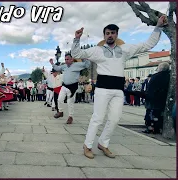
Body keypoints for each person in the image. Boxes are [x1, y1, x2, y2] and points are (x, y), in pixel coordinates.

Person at [70, 15, 167, 159]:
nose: (110, 35)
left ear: (116, 34)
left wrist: (158, 26)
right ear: (104, 35)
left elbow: (148, 45)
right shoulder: (96, 50)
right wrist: (76, 39)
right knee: (98, 118)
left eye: (113, 33)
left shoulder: (125, 49)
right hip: (103, 89)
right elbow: (77, 53)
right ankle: (87, 145)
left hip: (118, 90)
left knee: (114, 119)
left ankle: (103, 143)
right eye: (107, 33)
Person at [50, 55, 90, 124]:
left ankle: (70, 117)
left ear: (72, 59)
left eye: (68, 59)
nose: (66, 60)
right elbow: (58, 68)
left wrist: (85, 59)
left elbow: (86, 65)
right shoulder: (64, 66)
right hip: (64, 85)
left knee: (70, 102)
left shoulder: (77, 65)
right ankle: (60, 112)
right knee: (59, 99)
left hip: (72, 87)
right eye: (65, 59)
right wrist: (52, 63)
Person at [144, 62, 170, 134]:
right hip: (163, 99)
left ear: (160, 68)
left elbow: (150, 88)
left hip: (153, 99)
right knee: (160, 114)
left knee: (151, 114)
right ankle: (158, 127)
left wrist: (147, 96)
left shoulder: (155, 76)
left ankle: (150, 127)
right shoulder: (169, 76)